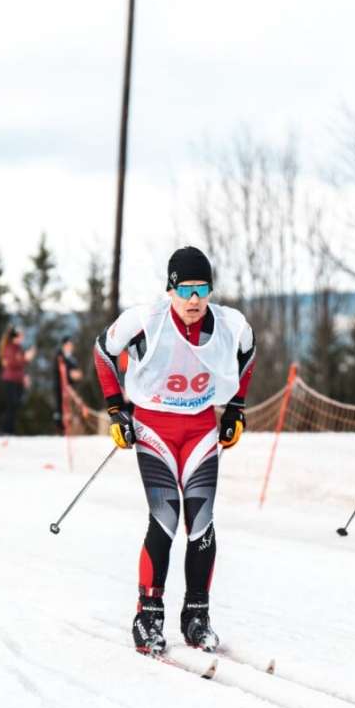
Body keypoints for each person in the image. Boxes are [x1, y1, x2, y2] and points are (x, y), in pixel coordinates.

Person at [94, 246, 256, 655]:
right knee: (165, 518)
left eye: (202, 289)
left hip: (201, 428)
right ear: (170, 290)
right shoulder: (145, 320)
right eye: (185, 290)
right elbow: (103, 351)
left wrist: (236, 408)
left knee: (201, 522)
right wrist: (116, 410)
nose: (194, 300)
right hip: (154, 427)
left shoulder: (230, 325)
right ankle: (147, 616)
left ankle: (196, 617)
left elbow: (248, 353)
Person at [0, 327, 35, 434]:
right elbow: (11, 363)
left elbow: (21, 365)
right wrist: (26, 358)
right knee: (11, 405)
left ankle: (10, 430)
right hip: (10, 380)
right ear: (16, 337)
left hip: (18, 380)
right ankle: (6, 430)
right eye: (21, 335)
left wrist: (25, 376)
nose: (23, 337)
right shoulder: (10, 348)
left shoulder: (19, 348)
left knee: (15, 405)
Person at [52, 336, 84, 433]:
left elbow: (76, 373)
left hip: (71, 387)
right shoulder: (59, 356)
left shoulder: (72, 358)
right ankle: (60, 430)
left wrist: (77, 375)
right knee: (60, 408)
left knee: (71, 410)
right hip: (60, 387)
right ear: (64, 345)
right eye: (69, 344)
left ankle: (69, 429)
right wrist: (71, 375)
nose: (71, 346)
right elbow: (61, 373)